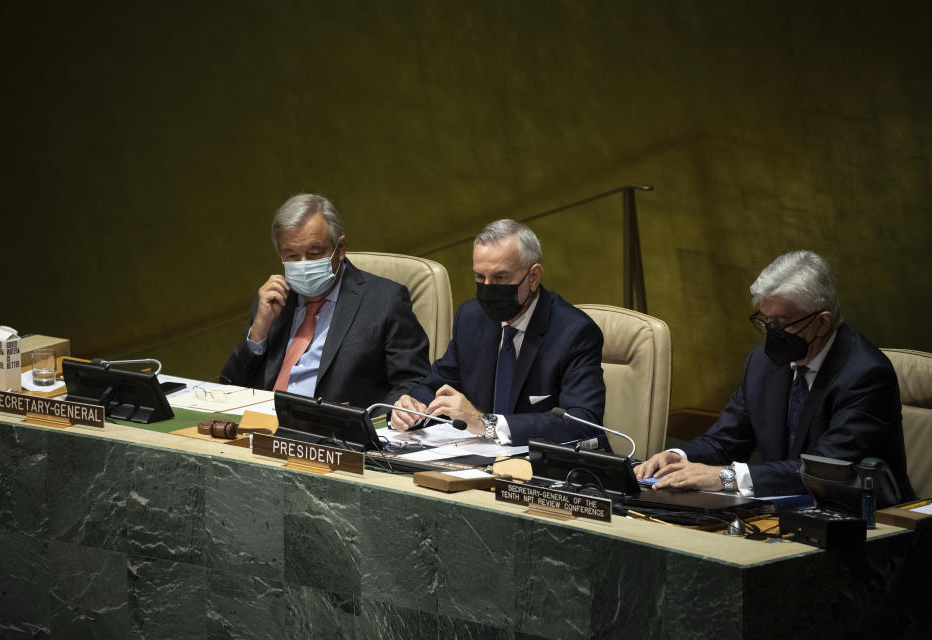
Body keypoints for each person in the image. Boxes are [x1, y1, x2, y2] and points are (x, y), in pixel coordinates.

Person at [635, 250, 914, 499]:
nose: (771, 333)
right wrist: (677, 457)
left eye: (780, 322)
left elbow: (826, 469)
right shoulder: (762, 363)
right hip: (781, 511)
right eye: (765, 321)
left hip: (862, 527)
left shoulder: (865, 375)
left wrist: (726, 477)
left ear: (821, 322)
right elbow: (726, 441)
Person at [391, 219, 606, 446]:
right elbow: (436, 386)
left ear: (533, 277)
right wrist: (413, 408)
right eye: (479, 277)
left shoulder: (574, 333)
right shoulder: (471, 318)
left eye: (501, 277)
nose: (488, 288)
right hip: (475, 460)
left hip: (540, 466)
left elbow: (584, 423)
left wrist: (487, 423)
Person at [221, 193, 431, 408]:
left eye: (313, 253)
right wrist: (259, 332)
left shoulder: (386, 300)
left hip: (335, 433)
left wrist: (373, 423)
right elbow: (230, 388)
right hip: (262, 426)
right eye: (292, 256)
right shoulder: (272, 302)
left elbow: (414, 382)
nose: (303, 264)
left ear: (340, 249)